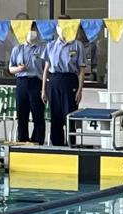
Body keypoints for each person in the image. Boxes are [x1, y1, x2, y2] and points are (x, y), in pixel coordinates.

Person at [41, 15, 85, 147]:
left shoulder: (77, 45)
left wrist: (80, 90)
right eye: (59, 25)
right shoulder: (51, 45)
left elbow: (81, 70)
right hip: (54, 81)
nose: (62, 28)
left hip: (70, 80)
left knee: (69, 114)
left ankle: (71, 144)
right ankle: (57, 145)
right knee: (55, 115)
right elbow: (46, 69)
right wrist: (43, 89)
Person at [8, 22, 45, 145]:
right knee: (22, 114)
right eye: (29, 29)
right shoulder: (17, 49)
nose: (31, 32)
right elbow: (10, 69)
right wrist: (18, 69)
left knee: (37, 114)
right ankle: (22, 141)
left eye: (33, 29)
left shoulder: (41, 49)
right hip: (21, 82)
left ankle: (37, 142)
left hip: (36, 81)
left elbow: (46, 68)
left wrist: (45, 86)